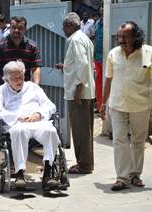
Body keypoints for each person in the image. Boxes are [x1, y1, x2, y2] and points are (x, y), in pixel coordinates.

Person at [100, 21, 152, 191]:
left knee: (138, 140)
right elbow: (108, 79)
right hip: (117, 104)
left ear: (136, 37)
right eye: (119, 36)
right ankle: (122, 178)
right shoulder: (113, 54)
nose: (121, 40)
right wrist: (103, 102)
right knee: (120, 140)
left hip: (140, 105)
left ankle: (135, 175)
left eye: (125, 36)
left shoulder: (149, 53)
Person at [0, 60, 60, 190]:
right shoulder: (1, 91)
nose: (19, 81)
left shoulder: (33, 87)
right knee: (19, 132)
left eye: (21, 77)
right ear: (6, 79)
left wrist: (39, 114)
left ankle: (48, 173)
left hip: (37, 122)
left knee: (51, 131)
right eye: (15, 78)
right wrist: (16, 117)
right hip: (17, 124)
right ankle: (20, 174)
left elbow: (50, 106)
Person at [57, 12, 95, 174]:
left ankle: (84, 164)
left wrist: (78, 91)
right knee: (85, 130)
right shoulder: (84, 38)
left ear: (69, 26)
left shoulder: (75, 39)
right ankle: (86, 162)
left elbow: (82, 64)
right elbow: (80, 64)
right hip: (85, 90)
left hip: (79, 92)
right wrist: (65, 66)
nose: (63, 30)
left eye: (64, 27)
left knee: (80, 131)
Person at [0, 16, 41, 96]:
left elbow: (36, 68)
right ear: (10, 29)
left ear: (25, 29)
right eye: (14, 27)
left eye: (20, 28)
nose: (16, 30)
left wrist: (36, 86)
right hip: (3, 91)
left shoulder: (32, 47)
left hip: (24, 92)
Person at [93, 8, 103, 111]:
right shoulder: (97, 24)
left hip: (107, 59)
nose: (102, 9)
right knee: (99, 84)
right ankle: (100, 106)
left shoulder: (110, 22)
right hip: (97, 58)